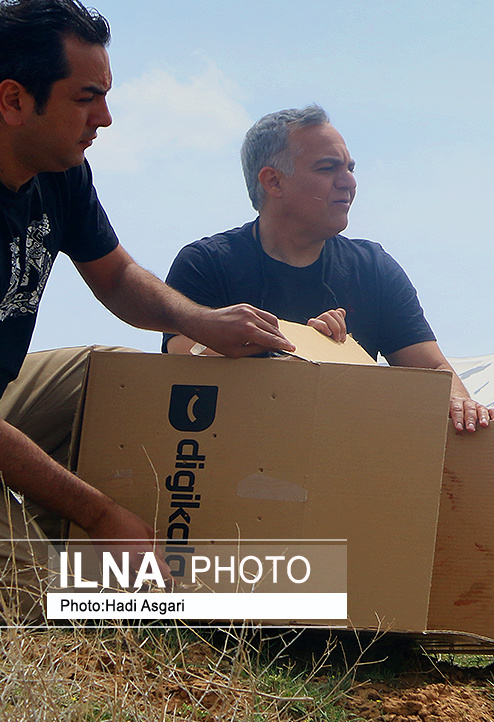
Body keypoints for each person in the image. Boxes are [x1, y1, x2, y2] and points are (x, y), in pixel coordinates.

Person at [0, 0, 294, 616]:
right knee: (42, 605)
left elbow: (117, 275)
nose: (104, 118)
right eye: (86, 98)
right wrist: (103, 515)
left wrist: (198, 319)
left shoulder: (60, 171)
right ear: (14, 100)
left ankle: (93, 550)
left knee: (106, 376)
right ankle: (62, 558)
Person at [163, 105, 494, 433]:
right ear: (273, 182)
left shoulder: (374, 269)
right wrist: (304, 347)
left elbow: (434, 369)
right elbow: (183, 361)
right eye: (328, 168)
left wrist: (460, 404)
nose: (349, 182)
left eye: (351, 168)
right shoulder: (205, 264)